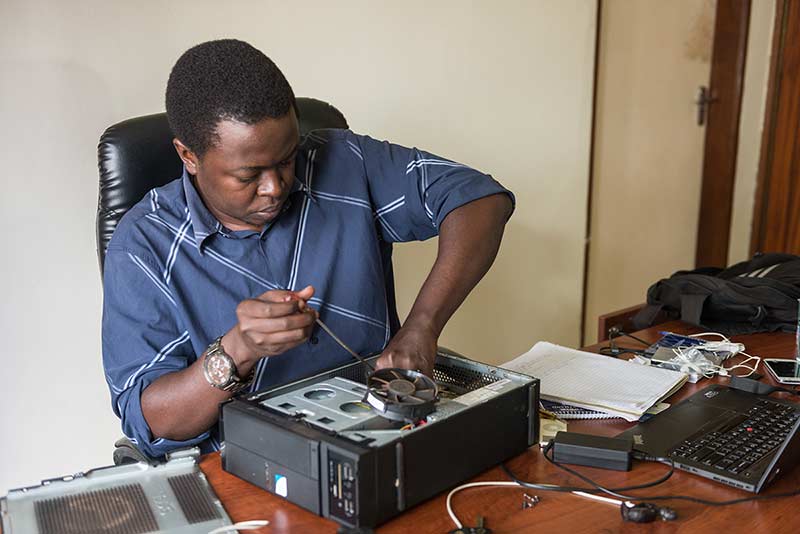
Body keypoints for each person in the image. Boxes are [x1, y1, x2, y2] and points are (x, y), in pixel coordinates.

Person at [102, 39, 514, 459]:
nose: (275, 187)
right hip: (247, 467)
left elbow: (479, 200)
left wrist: (422, 326)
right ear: (189, 156)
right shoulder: (142, 246)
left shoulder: (346, 161)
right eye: (249, 174)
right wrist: (239, 349)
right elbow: (151, 421)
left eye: (285, 159)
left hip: (380, 435)